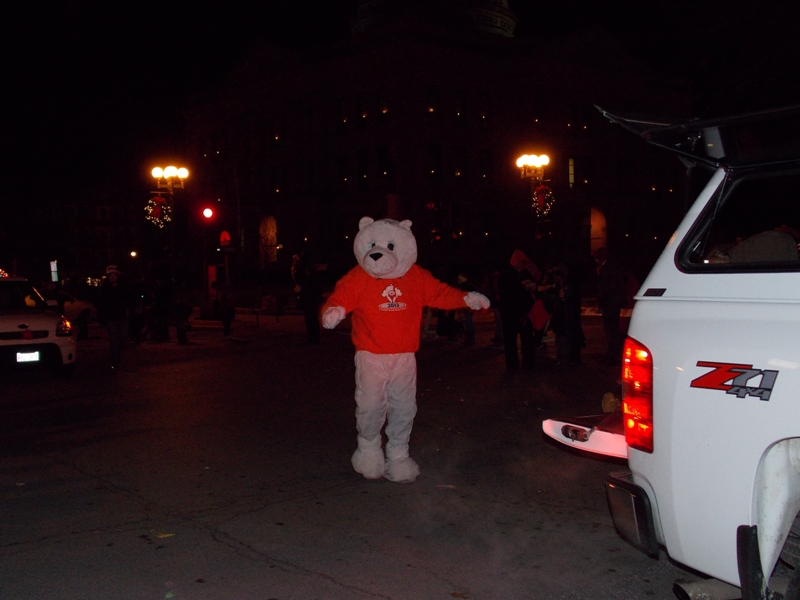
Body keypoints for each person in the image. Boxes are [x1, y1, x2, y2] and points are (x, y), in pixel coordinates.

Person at [497, 249, 537, 371]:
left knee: (527, 338)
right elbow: (507, 293)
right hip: (510, 313)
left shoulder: (524, 273)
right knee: (510, 339)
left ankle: (528, 361)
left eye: (523, 263)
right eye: (520, 263)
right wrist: (522, 286)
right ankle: (512, 363)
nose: (522, 265)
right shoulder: (506, 275)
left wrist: (531, 286)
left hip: (524, 313)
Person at [594, 247, 628, 366]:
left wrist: (601, 302)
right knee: (612, 330)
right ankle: (612, 355)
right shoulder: (613, 267)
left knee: (611, 330)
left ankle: (612, 355)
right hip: (613, 303)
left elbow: (605, 288)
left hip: (610, 303)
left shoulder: (607, 269)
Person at [96, 265, 130, 370]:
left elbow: (128, 300)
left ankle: (117, 355)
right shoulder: (104, 289)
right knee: (114, 340)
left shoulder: (123, 288)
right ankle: (115, 361)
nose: (112, 277)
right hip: (110, 318)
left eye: (114, 275)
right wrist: (102, 317)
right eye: (110, 275)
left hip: (122, 317)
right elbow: (100, 303)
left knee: (123, 338)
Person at [292, 253, 324, 344]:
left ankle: (314, 337)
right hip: (309, 298)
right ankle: (312, 337)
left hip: (311, 298)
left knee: (312, 318)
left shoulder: (312, 276)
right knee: (310, 318)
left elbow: (312, 287)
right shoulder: (306, 274)